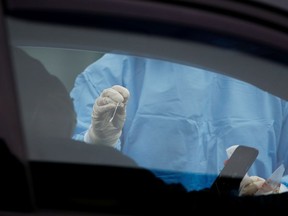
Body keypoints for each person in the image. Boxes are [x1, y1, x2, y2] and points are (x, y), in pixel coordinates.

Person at [70, 52, 288, 193]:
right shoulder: (112, 71)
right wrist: (97, 142)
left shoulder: (274, 74)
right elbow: (68, 179)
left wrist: (276, 190)